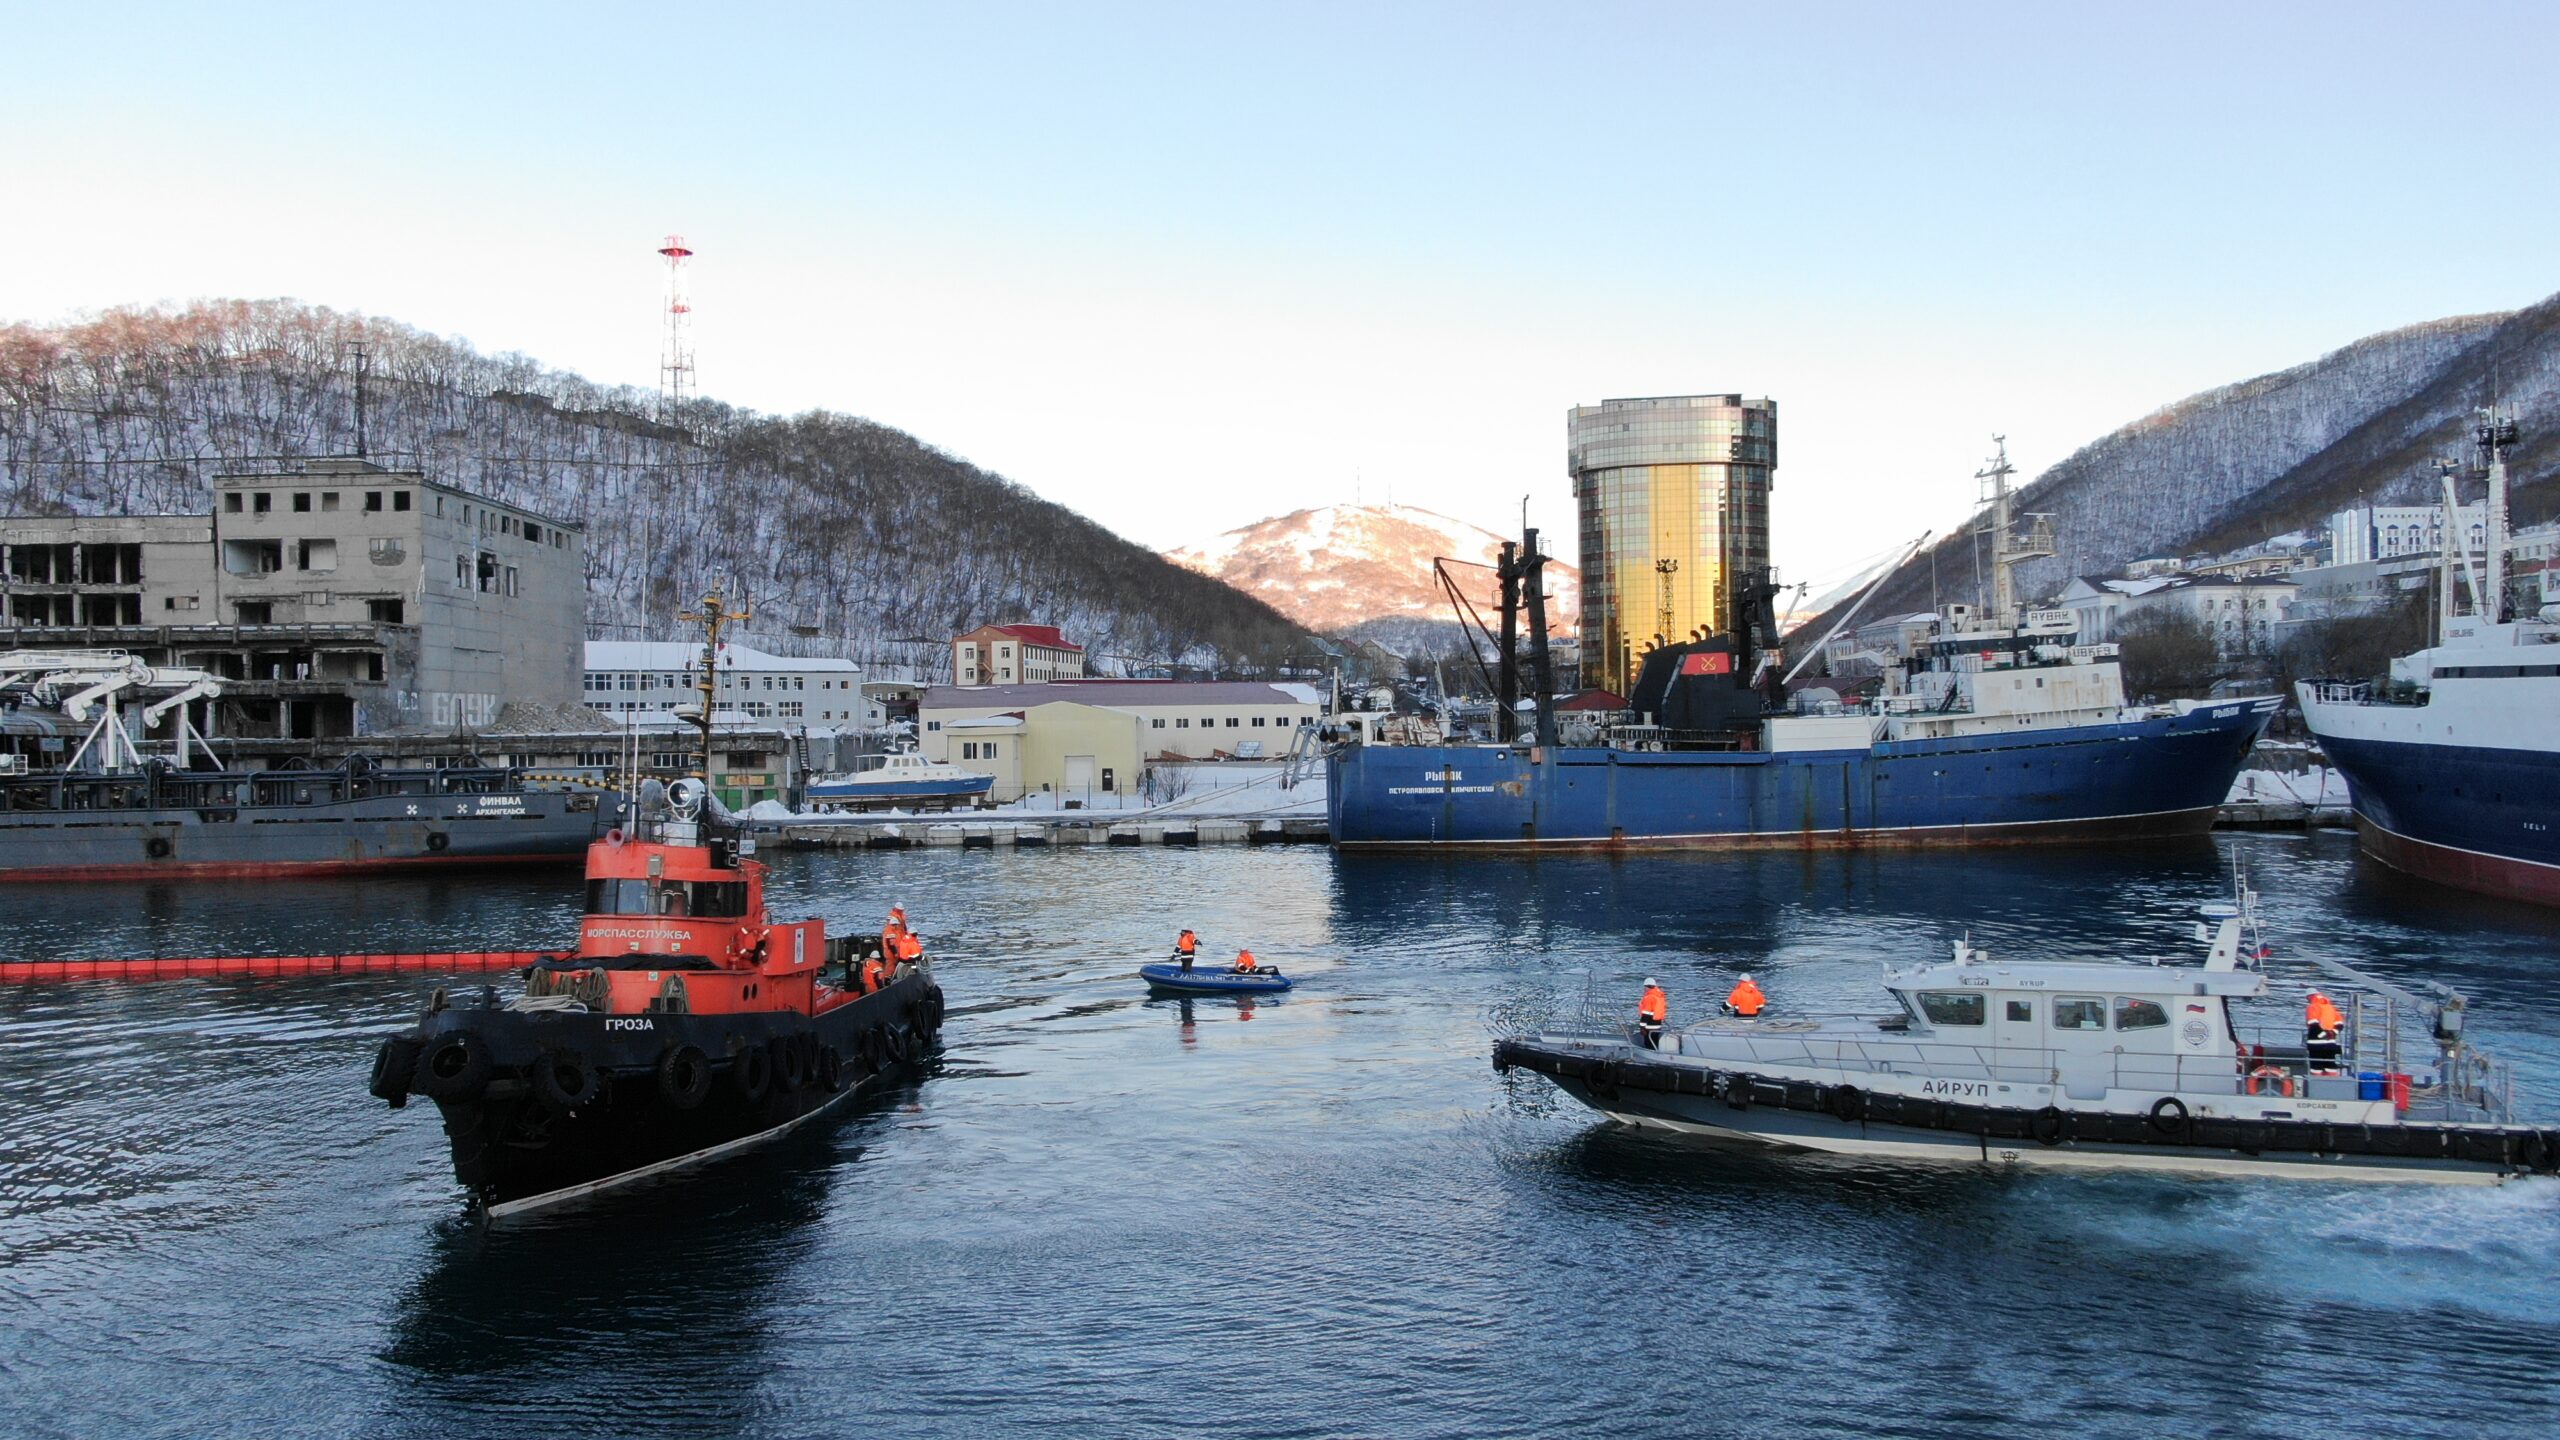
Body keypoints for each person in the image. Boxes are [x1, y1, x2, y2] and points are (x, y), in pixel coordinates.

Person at [2304, 989, 2345, 1075]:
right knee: (2331, 1068)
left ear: (2309, 997)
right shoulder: (2331, 1008)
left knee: (2316, 1068)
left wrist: (2322, 1034)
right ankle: (2332, 1086)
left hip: (2316, 1044)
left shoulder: (2312, 1007)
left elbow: (2313, 1024)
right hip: (2331, 1044)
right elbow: (2340, 1025)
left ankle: (2316, 1087)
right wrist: (2332, 1033)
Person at [1637, 978, 1668, 1049]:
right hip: (1657, 1024)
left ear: (1646, 987)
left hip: (1649, 1026)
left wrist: (1642, 1027)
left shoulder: (1649, 998)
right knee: (1655, 1042)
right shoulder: (1659, 996)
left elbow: (1646, 1014)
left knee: (1648, 1044)